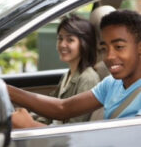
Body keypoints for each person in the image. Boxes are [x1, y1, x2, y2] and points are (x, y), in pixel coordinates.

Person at [9, 9, 141, 129]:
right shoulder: (111, 83)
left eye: (119, 47)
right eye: (104, 49)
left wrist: (31, 126)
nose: (109, 56)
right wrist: (7, 91)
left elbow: (117, 141)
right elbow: (63, 108)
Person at [12, 14, 100, 126]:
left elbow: (75, 129)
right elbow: (49, 113)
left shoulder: (88, 78)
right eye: (60, 38)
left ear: (84, 44)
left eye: (70, 40)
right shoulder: (67, 75)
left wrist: (29, 124)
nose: (62, 44)